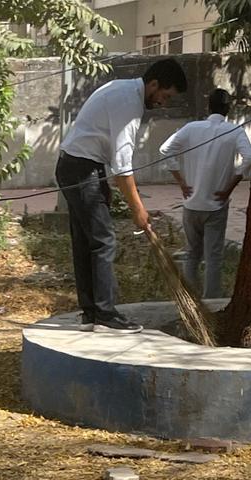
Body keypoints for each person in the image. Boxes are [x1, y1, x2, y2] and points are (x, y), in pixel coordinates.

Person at [55, 57, 188, 332]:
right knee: (103, 241)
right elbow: (122, 166)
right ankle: (105, 315)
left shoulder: (122, 88)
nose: (163, 103)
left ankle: (91, 313)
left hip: (77, 165)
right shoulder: (128, 103)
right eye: (164, 95)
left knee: (87, 242)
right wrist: (138, 208)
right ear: (153, 84)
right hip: (81, 169)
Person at [159, 87, 251, 299]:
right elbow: (249, 157)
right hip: (216, 204)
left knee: (192, 254)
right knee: (213, 257)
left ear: (208, 106)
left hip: (191, 203)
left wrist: (181, 182)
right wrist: (230, 186)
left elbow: (165, 150)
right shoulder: (234, 131)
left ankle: (190, 299)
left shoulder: (191, 128)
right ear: (228, 109)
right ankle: (212, 300)